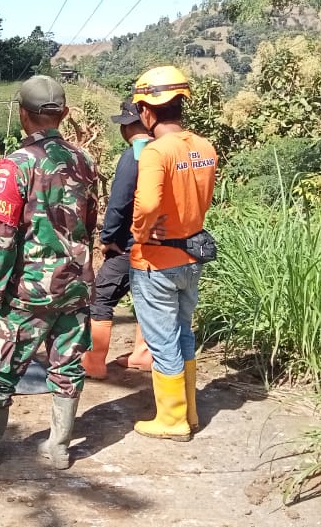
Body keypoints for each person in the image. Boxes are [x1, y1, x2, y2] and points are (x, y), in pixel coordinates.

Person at [0, 75, 98, 471]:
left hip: (29, 290)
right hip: (75, 282)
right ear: (63, 114)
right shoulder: (85, 161)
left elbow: (2, 232)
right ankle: (58, 446)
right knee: (67, 364)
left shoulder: (17, 164)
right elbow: (89, 222)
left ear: (24, 116)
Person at [128, 65, 218, 441]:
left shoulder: (155, 152)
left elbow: (147, 204)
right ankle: (191, 411)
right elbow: (203, 200)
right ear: (182, 102)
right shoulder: (205, 147)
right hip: (191, 257)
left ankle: (172, 419)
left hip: (157, 260)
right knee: (183, 332)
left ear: (147, 110)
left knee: (162, 338)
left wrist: (139, 233)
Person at [82, 98, 154, 379]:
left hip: (128, 244)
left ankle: (94, 363)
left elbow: (119, 202)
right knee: (146, 299)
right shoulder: (163, 150)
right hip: (159, 244)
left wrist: (108, 236)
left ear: (127, 126)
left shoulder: (133, 155)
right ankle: (143, 354)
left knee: (101, 298)